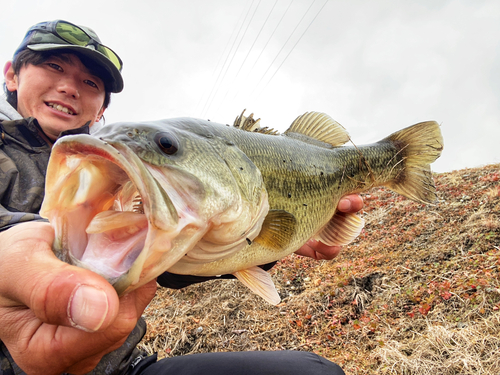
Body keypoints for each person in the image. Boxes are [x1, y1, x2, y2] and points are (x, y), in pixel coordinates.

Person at [0, 20, 363, 375]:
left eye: (90, 82)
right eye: (54, 66)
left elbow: (169, 271)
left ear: (101, 110)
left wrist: (255, 243)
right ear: (12, 75)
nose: (69, 87)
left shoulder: (122, 171)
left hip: (126, 367)